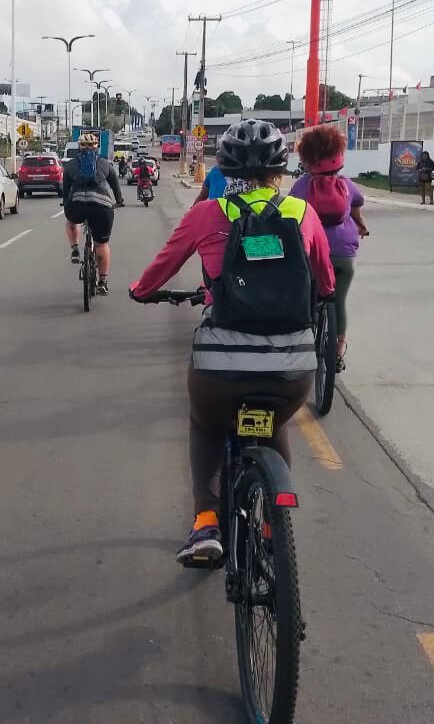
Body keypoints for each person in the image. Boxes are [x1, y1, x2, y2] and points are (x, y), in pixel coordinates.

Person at [130, 120, 335, 564]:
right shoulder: (303, 214)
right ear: (281, 170)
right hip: (292, 367)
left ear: (221, 167)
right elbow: (327, 282)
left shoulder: (208, 214)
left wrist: (141, 291)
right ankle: (271, 523)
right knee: (275, 420)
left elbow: (159, 270)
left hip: (221, 369)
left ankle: (206, 520)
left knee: (205, 423)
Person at [288, 125, 368, 373]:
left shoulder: (301, 186)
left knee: (304, 295)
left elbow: (290, 213)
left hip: (311, 254)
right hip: (344, 254)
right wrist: (361, 226)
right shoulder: (346, 185)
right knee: (339, 300)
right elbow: (357, 206)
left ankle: (302, 339)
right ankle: (338, 349)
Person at [63, 132, 125, 296]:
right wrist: (119, 201)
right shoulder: (105, 164)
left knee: (70, 220)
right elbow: (115, 186)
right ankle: (102, 281)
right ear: (97, 147)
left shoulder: (70, 166)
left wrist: (66, 205)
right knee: (101, 244)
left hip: (77, 205)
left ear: (79, 147)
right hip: (102, 207)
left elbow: (66, 191)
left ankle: (75, 249)